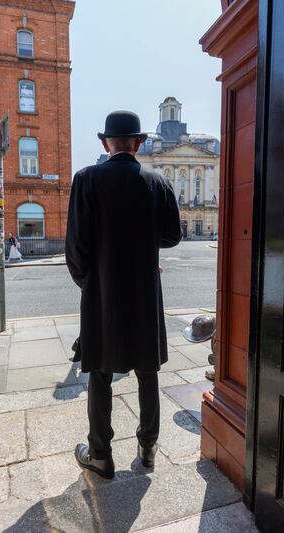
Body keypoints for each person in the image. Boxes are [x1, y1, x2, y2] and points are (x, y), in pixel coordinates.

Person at [65, 110, 182, 479]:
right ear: (139, 143)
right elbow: (172, 236)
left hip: (102, 292)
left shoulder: (86, 179)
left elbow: (75, 250)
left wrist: (91, 283)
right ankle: (147, 449)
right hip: (146, 290)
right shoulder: (158, 181)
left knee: (100, 371)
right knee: (148, 370)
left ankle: (100, 454)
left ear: (105, 143)